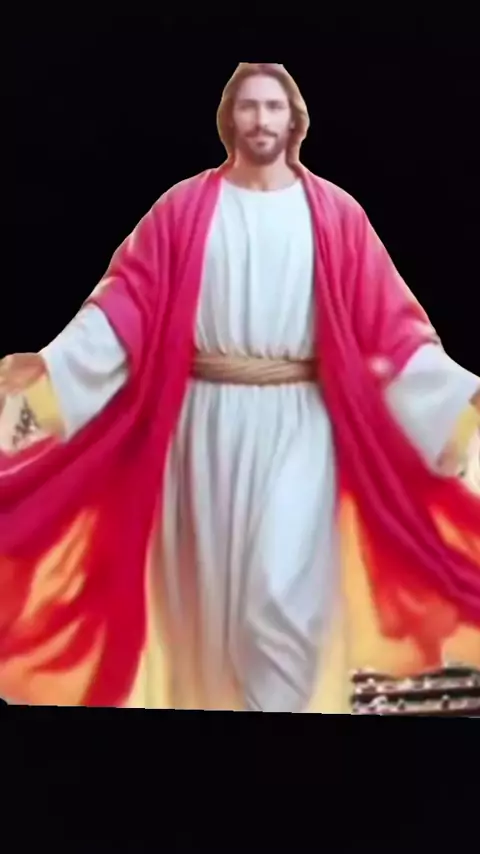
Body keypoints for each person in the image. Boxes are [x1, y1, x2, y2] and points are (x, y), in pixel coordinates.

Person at [1, 62, 480, 712]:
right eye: (249, 106)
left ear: (295, 120)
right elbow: (127, 307)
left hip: (300, 420)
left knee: (283, 597)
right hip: (200, 421)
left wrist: (454, 392)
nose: (261, 120)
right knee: (205, 602)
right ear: (229, 119)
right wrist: (52, 374)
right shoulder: (182, 209)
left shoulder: (337, 215)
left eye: (273, 107)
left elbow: (387, 329)